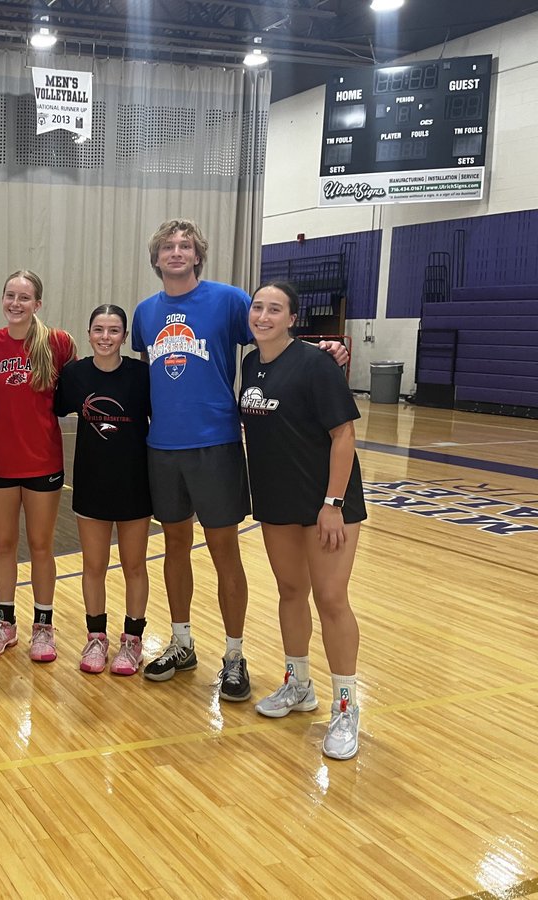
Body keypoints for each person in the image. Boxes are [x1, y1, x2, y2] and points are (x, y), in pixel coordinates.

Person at [133, 218, 348, 701]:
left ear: (197, 255)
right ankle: (182, 642)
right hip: (162, 446)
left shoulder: (229, 299)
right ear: (156, 257)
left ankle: (234, 655)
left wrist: (323, 348)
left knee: (224, 549)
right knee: (172, 547)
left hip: (217, 445)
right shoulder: (145, 313)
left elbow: (275, 342)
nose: (176, 252)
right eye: (168, 245)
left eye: (186, 245)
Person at [240, 283, 366, 759]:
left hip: (326, 504)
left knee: (332, 600)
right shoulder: (251, 364)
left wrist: (332, 502)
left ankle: (347, 705)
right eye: (258, 307)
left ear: (292, 318)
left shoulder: (316, 364)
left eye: (275, 309)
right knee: (291, 592)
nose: (264, 315)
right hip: (277, 501)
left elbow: (344, 435)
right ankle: (299, 683)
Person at [0, 270, 75, 663]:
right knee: (3, 544)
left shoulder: (58, 343)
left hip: (42, 461)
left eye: (25, 297)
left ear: (38, 304)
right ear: (2, 299)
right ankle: (5, 622)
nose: (16, 303)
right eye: (10, 295)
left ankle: (44, 627)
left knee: (40, 546)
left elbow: (79, 386)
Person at [53, 305, 154, 675]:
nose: (106, 337)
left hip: (134, 484)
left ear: (124, 337)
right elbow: (50, 409)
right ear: (89, 333)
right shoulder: (75, 375)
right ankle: (96, 638)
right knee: (93, 565)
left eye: (114, 331)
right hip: (92, 483)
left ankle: (132, 641)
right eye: (99, 330)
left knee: (134, 566)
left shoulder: (142, 375)